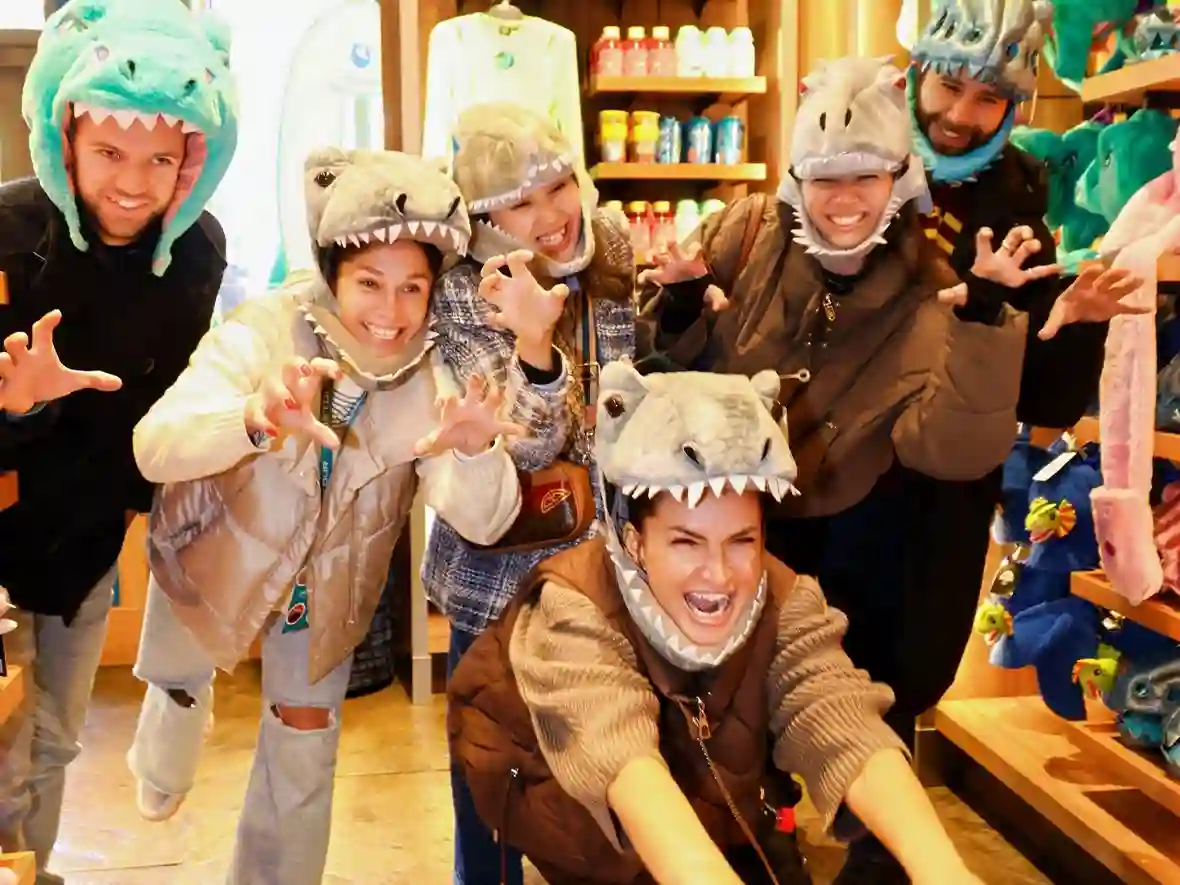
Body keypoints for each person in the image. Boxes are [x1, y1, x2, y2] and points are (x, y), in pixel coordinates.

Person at [635, 54, 1143, 884]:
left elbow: (981, 425)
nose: (964, 113)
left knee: (872, 707)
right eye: (824, 177)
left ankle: (881, 856)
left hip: (892, 534)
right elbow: (683, 371)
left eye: (865, 176)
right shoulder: (749, 234)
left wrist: (1022, 319)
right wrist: (683, 308)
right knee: (743, 709)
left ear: (896, 176)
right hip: (759, 523)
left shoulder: (959, 257)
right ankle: (764, 837)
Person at [125, 148, 523, 885]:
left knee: (304, 746)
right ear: (332, 272)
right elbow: (154, 446)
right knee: (178, 684)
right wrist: (250, 420)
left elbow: (484, 522)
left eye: (412, 288)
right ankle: (173, 712)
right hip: (217, 553)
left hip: (328, 586)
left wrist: (474, 455)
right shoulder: (263, 327)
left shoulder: (435, 374)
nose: (390, 312)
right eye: (370, 282)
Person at [449, 360, 987, 885]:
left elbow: (840, 719)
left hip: (720, 806)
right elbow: (620, 758)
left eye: (741, 541)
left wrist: (944, 869)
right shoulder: (571, 608)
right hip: (581, 828)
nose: (720, 574)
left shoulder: (784, 598)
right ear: (636, 542)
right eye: (686, 542)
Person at [0, 2, 238, 882]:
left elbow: (179, 397)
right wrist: (18, 408)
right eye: (109, 152)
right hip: (2, 533)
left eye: (160, 159)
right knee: (4, 744)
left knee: (54, 739)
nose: (134, 184)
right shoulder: (8, 231)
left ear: (193, 159)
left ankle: (32, 868)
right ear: (64, 138)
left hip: (88, 544)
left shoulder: (197, 249)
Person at [424, 102, 635, 885]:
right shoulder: (463, 289)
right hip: (499, 576)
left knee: (603, 765)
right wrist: (537, 346)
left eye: (558, 186)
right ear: (484, 219)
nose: (551, 216)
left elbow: (635, 376)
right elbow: (526, 446)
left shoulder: (610, 245)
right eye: (520, 203)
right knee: (491, 767)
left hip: (604, 564)